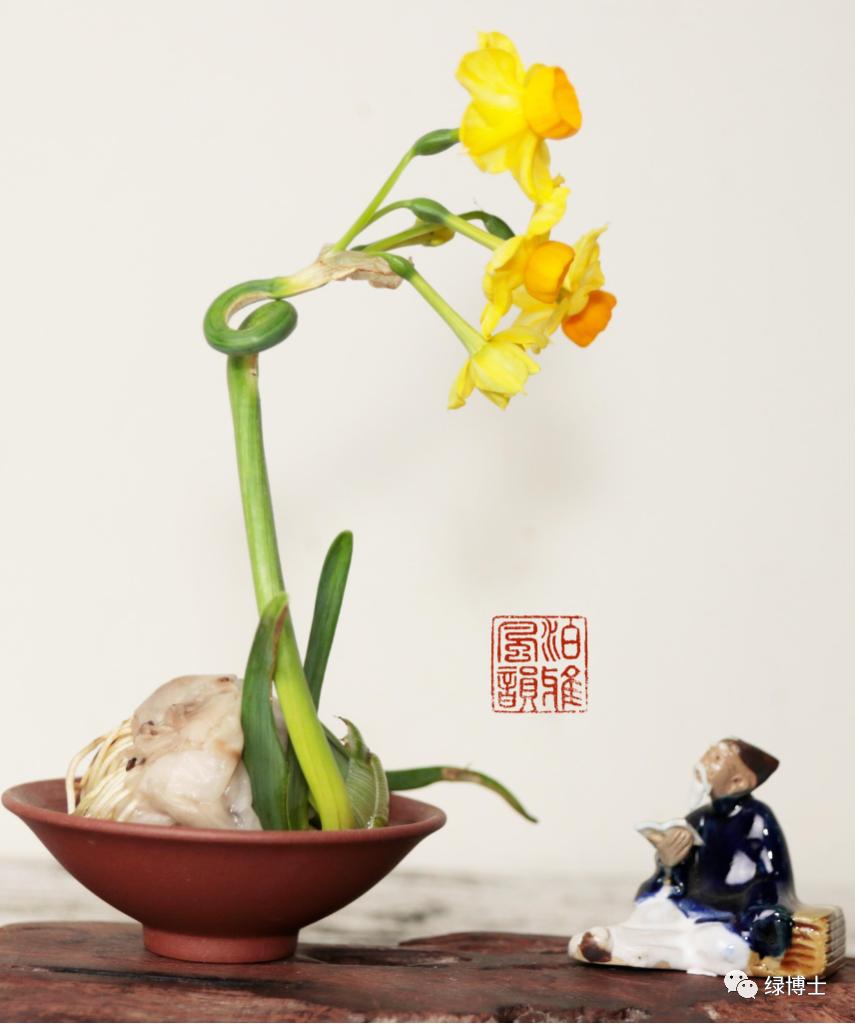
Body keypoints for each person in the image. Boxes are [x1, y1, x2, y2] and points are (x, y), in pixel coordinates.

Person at [569, 738, 794, 974]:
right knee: (652, 911)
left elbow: (773, 879)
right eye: (708, 753)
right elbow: (675, 877)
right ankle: (624, 942)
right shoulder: (699, 819)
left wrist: (758, 910)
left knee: (719, 944)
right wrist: (669, 863)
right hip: (688, 906)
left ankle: (642, 951)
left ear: (738, 782)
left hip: (733, 910)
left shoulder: (757, 818)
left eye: (716, 759)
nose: (704, 762)